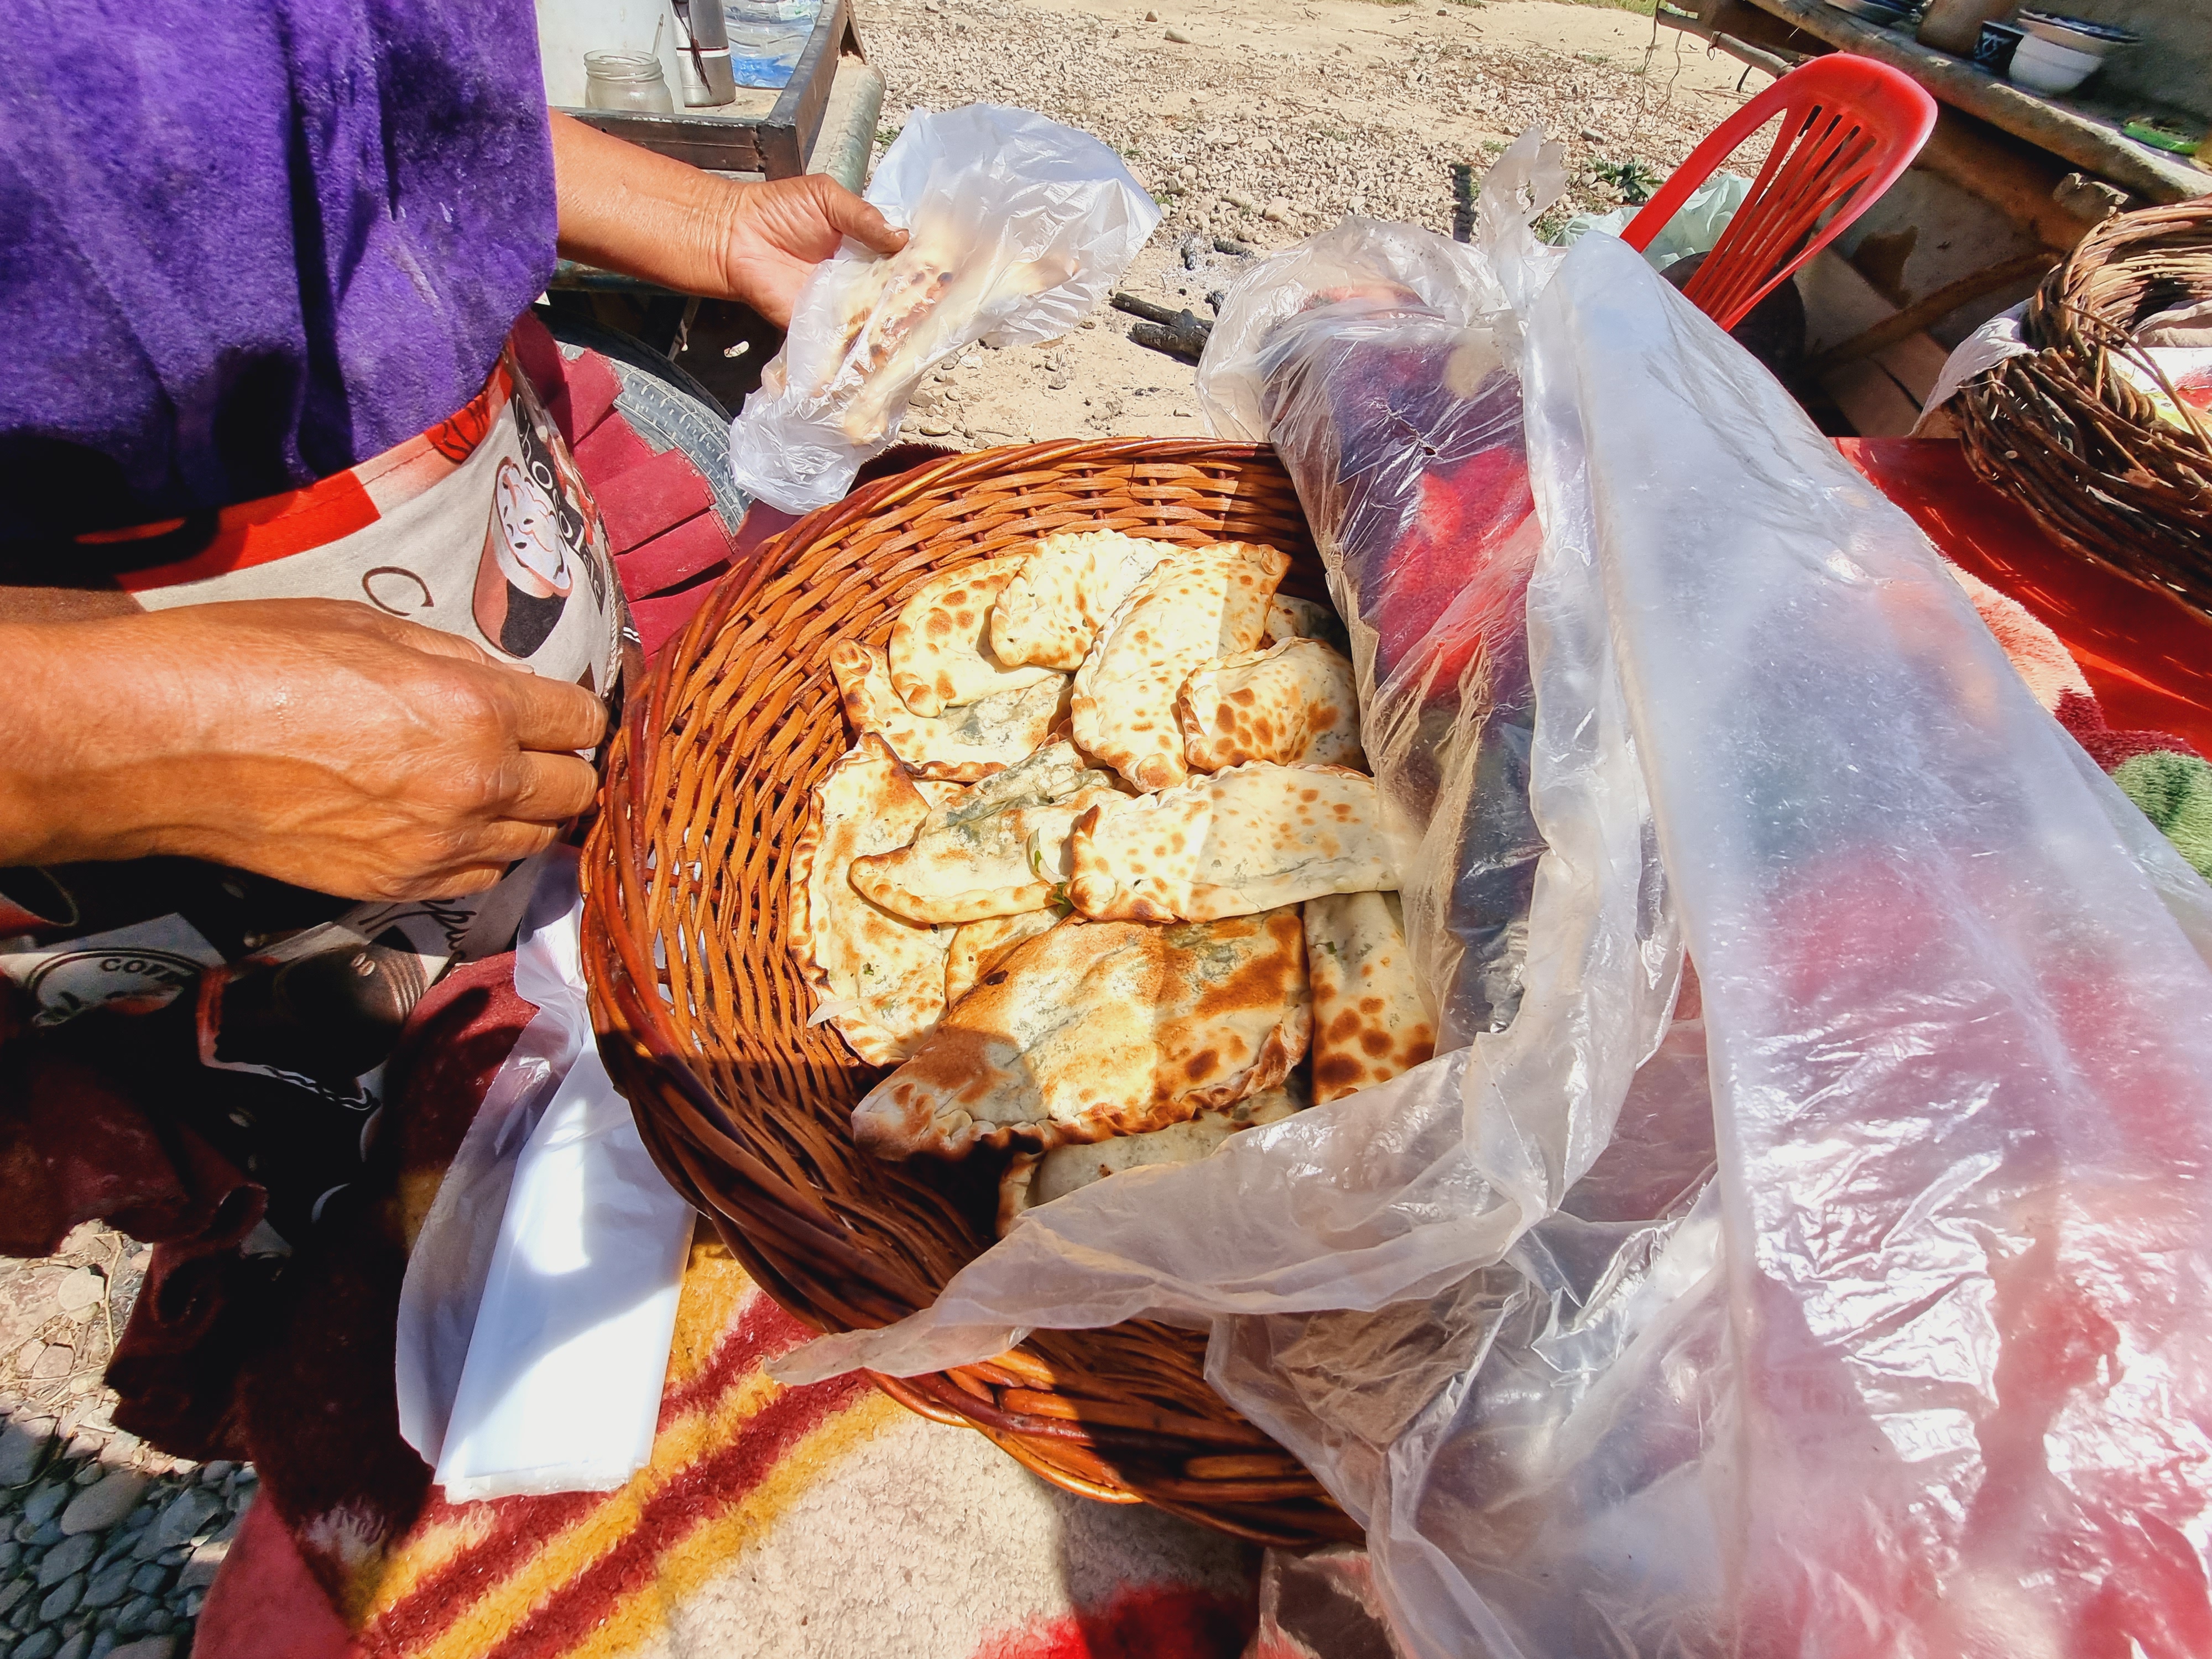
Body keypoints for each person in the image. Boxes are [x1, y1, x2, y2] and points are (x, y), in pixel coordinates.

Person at [0, 2, 905, 1249]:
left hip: (496, 512)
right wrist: (157, 736)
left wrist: (709, 219)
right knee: (393, 1226)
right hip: (142, 847)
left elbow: (333, 78)